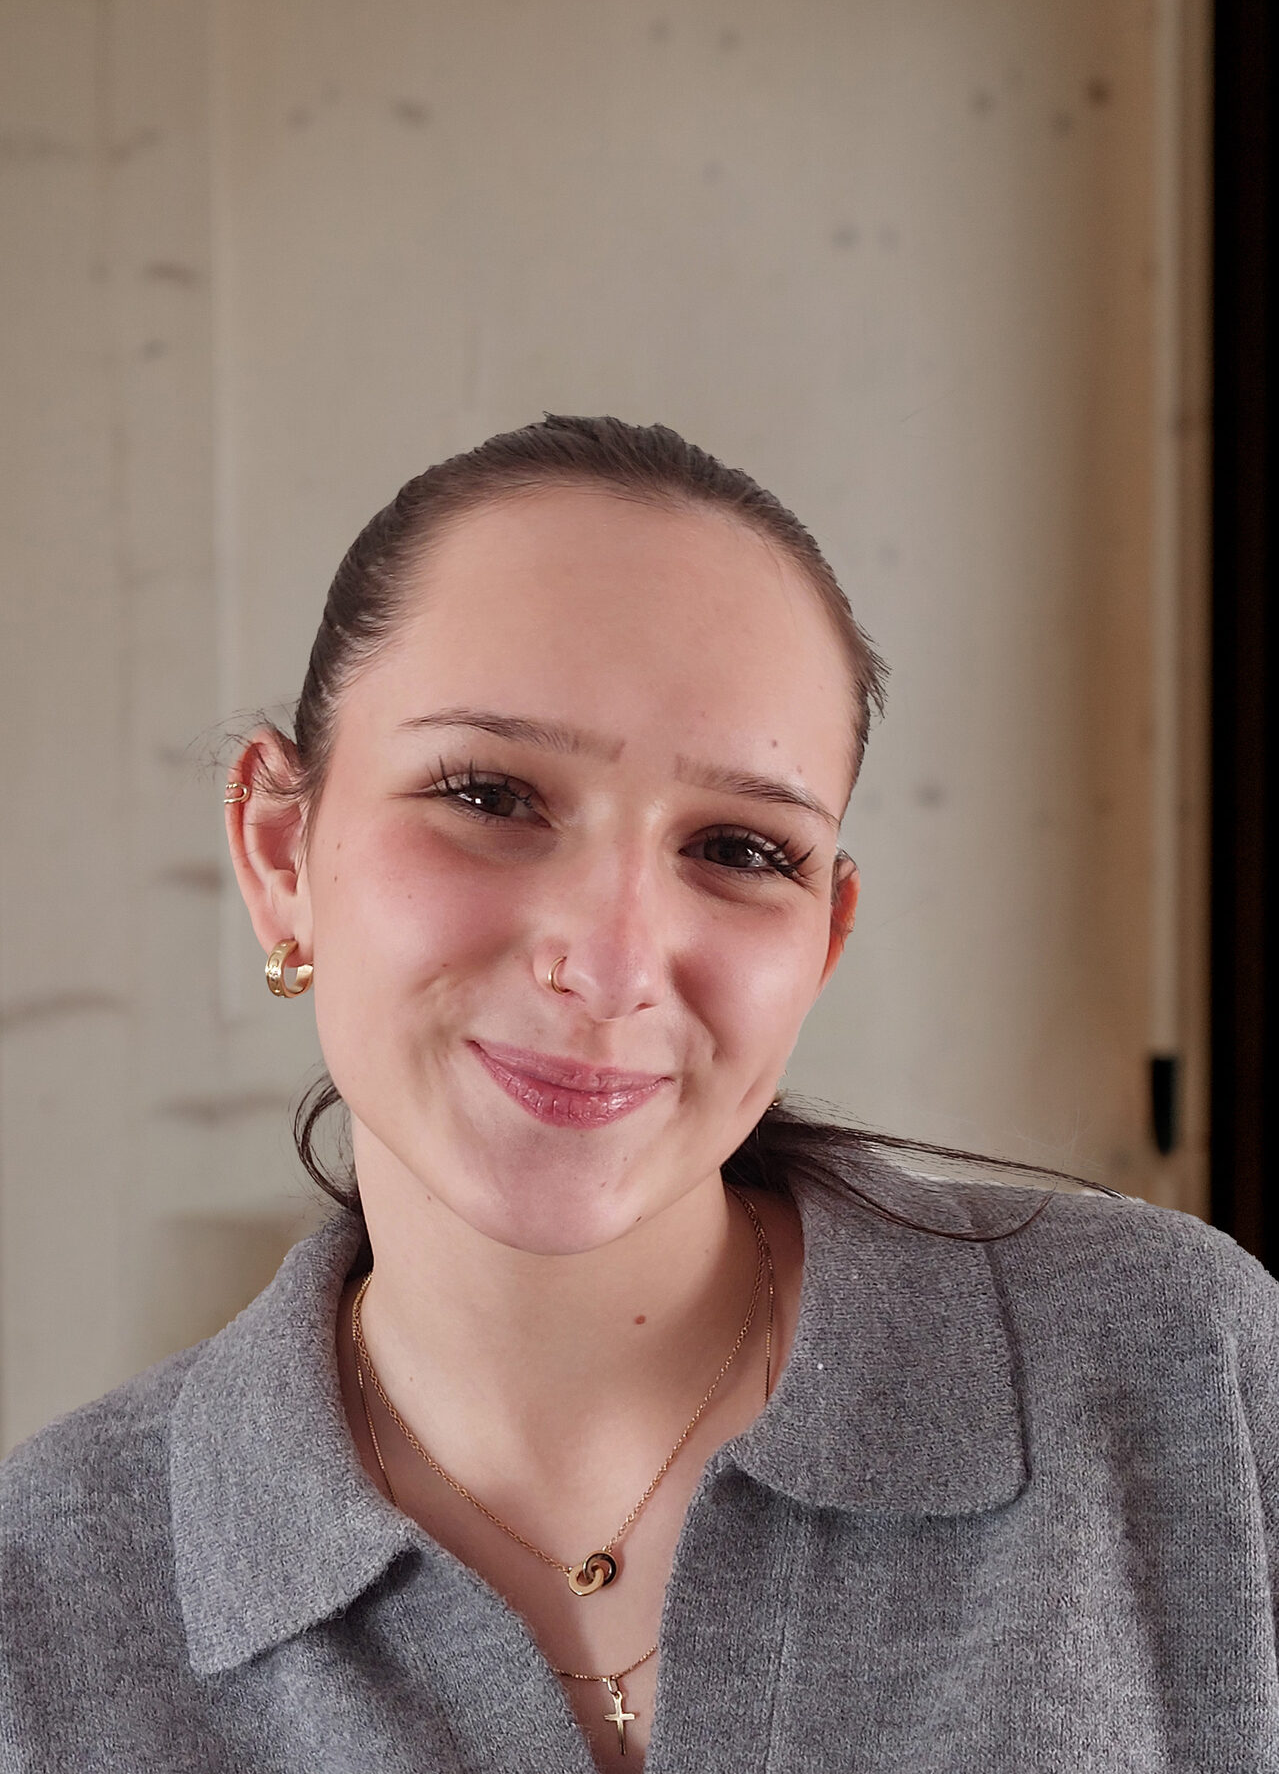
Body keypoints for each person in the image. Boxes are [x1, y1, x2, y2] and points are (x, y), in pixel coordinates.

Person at [2, 414, 1279, 1774]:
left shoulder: (1181, 1370)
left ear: (824, 940)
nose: (610, 966)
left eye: (741, 848)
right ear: (279, 851)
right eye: (489, 795)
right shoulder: (39, 1607)